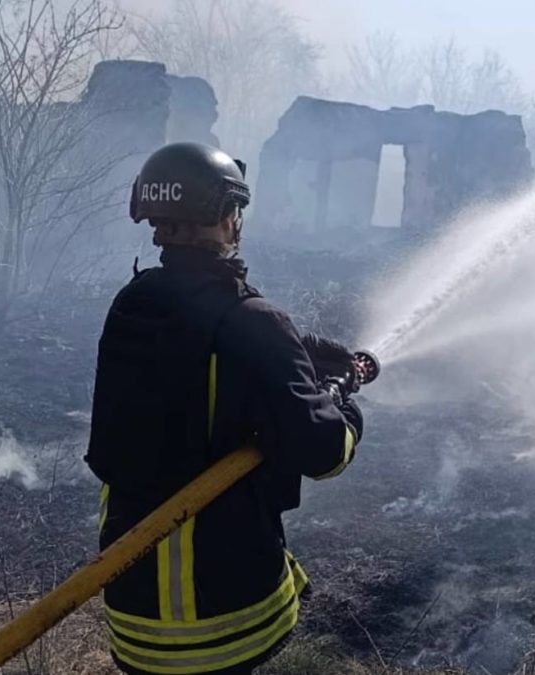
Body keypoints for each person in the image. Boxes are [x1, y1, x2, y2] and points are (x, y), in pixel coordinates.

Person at [85, 142, 363, 675]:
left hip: (133, 608)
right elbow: (324, 453)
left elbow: (192, 361)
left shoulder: (132, 305)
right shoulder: (252, 321)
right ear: (226, 216)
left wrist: (293, 351)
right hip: (222, 622)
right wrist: (343, 404)